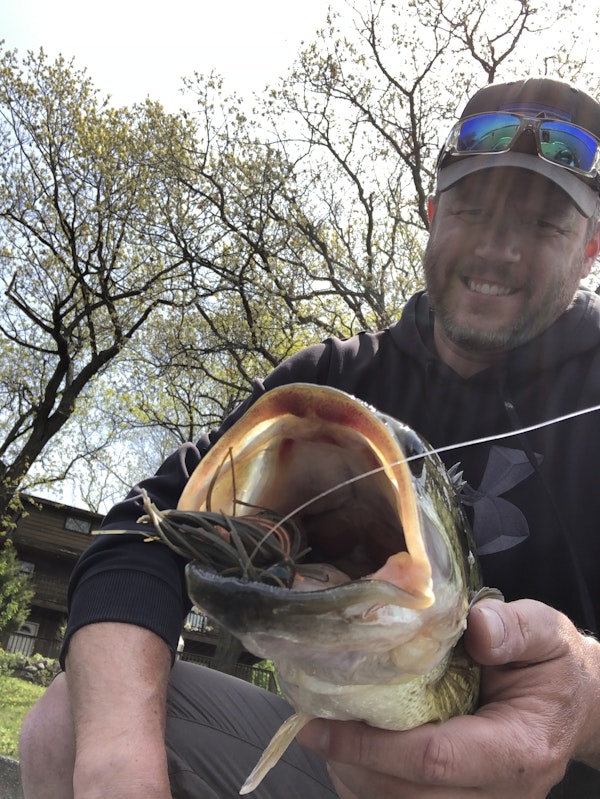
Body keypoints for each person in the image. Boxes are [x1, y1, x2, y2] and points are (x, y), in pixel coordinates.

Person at [18, 77, 600, 799]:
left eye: (542, 225)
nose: (498, 249)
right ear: (431, 215)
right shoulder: (324, 385)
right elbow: (146, 527)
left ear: (590, 248)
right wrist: (118, 765)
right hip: (330, 765)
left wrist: (588, 707)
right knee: (66, 725)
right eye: (473, 210)